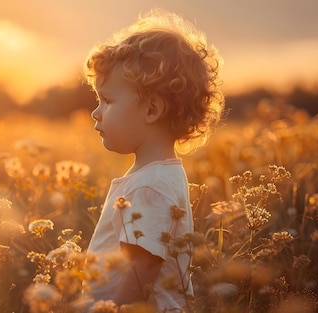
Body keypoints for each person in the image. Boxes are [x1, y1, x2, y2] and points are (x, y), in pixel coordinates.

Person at [83, 9, 225, 312]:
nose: (96, 113)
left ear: (152, 110)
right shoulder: (154, 176)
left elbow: (143, 269)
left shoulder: (151, 185)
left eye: (107, 101)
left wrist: (110, 309)